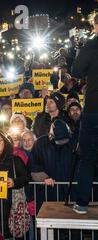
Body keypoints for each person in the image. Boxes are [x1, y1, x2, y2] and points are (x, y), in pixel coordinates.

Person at [71, 14, 98, 215]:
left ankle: (81, 203)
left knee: (88, 157)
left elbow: (77, 71)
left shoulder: (91, 45)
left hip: (94, 109)